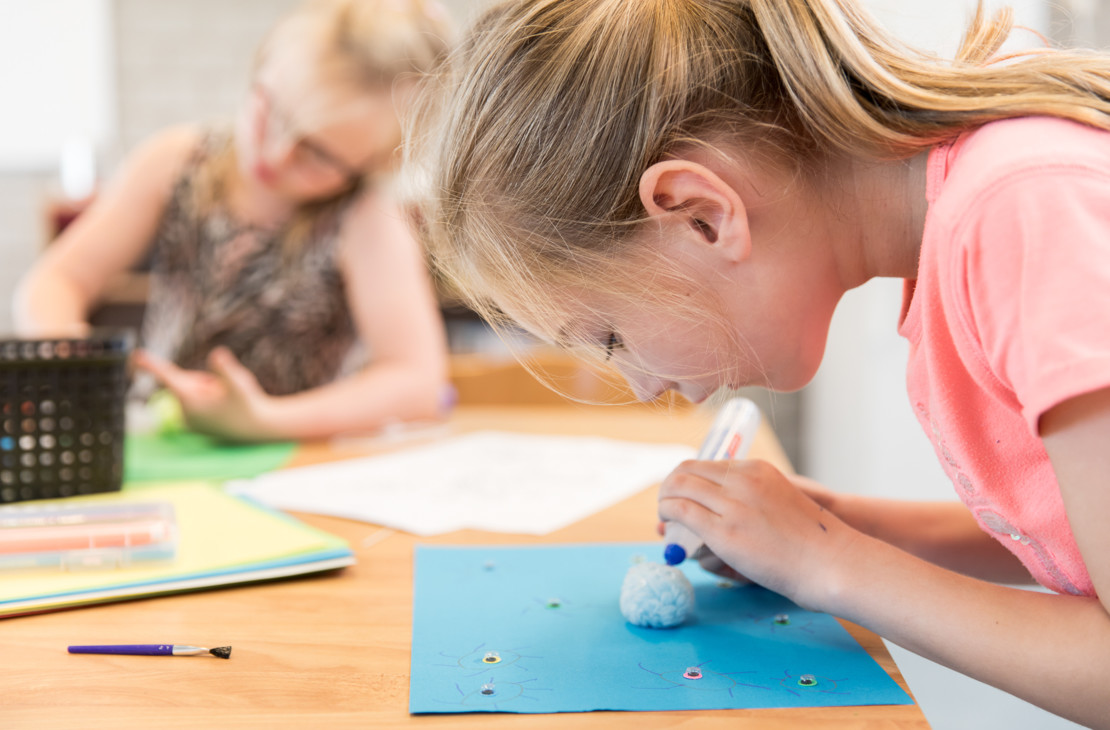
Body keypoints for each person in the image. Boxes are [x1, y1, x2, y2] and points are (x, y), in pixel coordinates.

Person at [402, 0, 1110, 725]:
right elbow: (1071, 543)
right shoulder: (962, 234)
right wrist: (840, 525)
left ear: (700, 215)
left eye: (610, 337)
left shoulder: (1026, 213)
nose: (645, 387)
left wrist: (828, 563)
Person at [14, 0, 454, 443]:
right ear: (260, 70)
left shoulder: (367, 219)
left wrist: (265, 419)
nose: (275, 154)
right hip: (160, 439)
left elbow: (417, 381)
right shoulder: (176, 162)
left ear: (370, 164)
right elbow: (54, 281)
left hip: (292, 455)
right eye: (271, 111)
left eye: (318, 152)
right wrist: (71, 357)